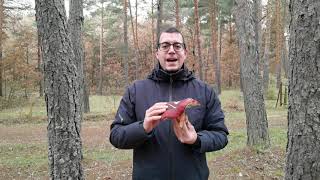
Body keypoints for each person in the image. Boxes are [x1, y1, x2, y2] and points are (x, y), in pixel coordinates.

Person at [109, 27, 229, 180]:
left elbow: (221, 135)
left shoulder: (204, 91)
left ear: (185, 53)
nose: (171, 50)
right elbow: (116, 135)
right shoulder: (136, 90)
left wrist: (197, 139)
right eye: (165, 46)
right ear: (157, 53)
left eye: (177, 46)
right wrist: (143, 127)